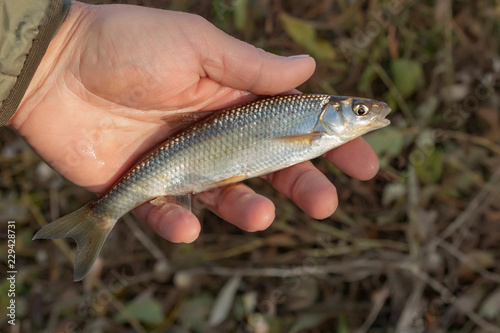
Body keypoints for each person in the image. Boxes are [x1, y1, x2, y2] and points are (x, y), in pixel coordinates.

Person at [1, 0, 380, 243]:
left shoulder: (315, 127)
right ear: (330, 112)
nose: (369, 113)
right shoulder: (312, 123)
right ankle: (99, 217)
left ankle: (99, 218)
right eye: (359, 111)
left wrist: (54, 48)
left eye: (361, 111)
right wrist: (61, 47)